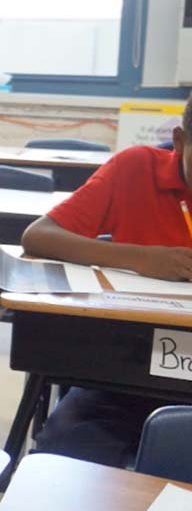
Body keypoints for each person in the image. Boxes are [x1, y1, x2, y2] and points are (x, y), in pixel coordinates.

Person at [22, 94, 192, 467]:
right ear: (180, 142)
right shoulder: (136, 168)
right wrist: (141, 258)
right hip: (126, 372)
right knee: (64, 450)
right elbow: (38, 236)